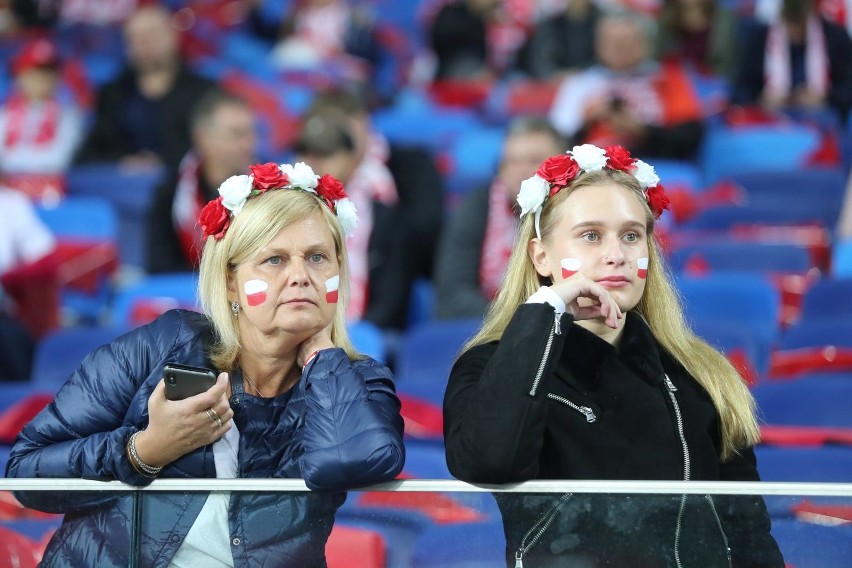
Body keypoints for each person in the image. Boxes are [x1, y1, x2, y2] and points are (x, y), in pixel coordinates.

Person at [7, 160, 406, 566]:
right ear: (231, 280)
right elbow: (25, 475)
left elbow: (351, 462)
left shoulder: (358, 380)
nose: (301, 276)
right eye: (275, 260)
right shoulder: (164, 345)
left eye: (318, 257)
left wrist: (322, 353)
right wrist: (143, 451)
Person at [443, 143, 784, 567]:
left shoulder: (704, 375)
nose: (615, 255)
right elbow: (489, 461)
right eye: (590, 235)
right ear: (541, 257)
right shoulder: (488, 367)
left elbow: (751, 540)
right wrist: (545, 313)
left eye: (631, 235)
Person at [302, 89, 445, 329]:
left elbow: (427, 236)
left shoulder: (411, 166)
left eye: (338, 133)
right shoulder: (302, 191)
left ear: (361, 123)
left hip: (386, 300)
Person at [434, 116, 564, 320]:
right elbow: (452, 295)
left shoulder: (577, 212)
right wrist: (513, 319)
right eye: (511, 162)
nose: (521, 171)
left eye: (534, 160)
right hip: (489, 325)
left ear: (564, 167)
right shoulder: (478, 206)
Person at [548, 8, 705, 159]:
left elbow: (690, 136)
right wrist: (589, 120)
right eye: (610, 41)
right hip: (593, 167)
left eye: (627, 41)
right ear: (597, 43)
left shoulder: (668, 78)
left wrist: (642, 130)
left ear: (645, 43)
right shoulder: (579, 84)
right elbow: (557, 141)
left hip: (655, 162)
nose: (618, 48)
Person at [74, 4, 217, 168]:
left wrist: (165, 164)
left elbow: (214, 148)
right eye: (136, 38)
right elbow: (93, 151)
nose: (146, 43)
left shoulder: (205, 92)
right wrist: (122, 162)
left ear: (174, 36)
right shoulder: (111, 94)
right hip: (125, 187)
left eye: (153, 34)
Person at [146, 89, 257, 273]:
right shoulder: (172, 191)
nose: (249, 143)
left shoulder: (266, 190)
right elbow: (160, 266)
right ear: (202, 138)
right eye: (236, 134)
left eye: (251, 133)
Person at [731, 0, 852, 123]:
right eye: (790, 23)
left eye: (800, 24)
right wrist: (762, 99)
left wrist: (825, 98)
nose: (795, 31)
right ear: (782, 16)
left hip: (822, 122)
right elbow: (740, 90)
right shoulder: (759, 38)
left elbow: (847, 88)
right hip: (771, 125)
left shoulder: (836, 38)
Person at [0, 37, 83, 177]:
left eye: (49, 72)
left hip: (52, 191)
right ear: (20, 76)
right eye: (35, 71)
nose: (43, 78)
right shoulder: (4, 114)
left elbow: (59, 160)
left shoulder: (68, 115)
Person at [0, 186, 56, 380]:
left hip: (4, 314)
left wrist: (6, 280)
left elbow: (46, 262)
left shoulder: (9, 204)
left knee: (11, 338)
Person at [513, 0, 601, 80]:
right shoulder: (551, 24)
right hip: (552, 81)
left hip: (592, 79)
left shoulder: (602, 21)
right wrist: (554, 75)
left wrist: (579, 74)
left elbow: (604, 59)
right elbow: (541, 61)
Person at [653, 0, 739, 79]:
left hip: (715, 87)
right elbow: (658, 59)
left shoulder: (725, 20)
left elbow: (729, 65)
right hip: (674, 85)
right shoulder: (666, 21)